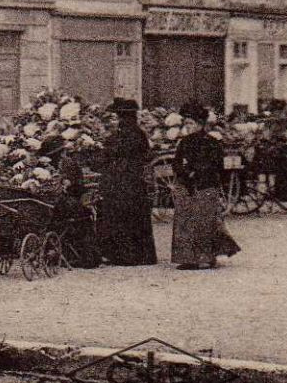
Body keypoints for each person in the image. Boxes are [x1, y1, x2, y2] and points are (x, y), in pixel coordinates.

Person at [171, 121, 241, 270]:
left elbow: (217, 164)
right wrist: (184, 172)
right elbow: (176, 162)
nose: (188, 126)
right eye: (186, 123)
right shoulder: (184, 142)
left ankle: (208, 257)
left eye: (192, 123)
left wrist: (197, 171)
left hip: (206, 184)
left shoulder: (212, 143)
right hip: (187, 183)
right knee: (186, 219)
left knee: (205, 220)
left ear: (200, 124)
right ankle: (189, 259)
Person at [97, 98, 158, 266]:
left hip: (121, 180)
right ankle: (143, 255)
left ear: (123, 117)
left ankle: (124, 255)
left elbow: (110, 155)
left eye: (118, 117)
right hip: (135, 180)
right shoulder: (139, 134)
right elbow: (146, 155)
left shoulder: (121, 135)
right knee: (137, 217)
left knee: (120, 215)